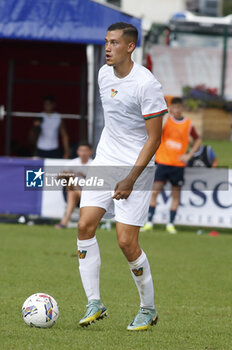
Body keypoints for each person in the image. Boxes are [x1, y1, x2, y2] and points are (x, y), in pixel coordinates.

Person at [77, 22, 168, 331]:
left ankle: (148, 309)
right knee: (84, 225)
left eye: (114, 43)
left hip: (136, 169)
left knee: (126, 242)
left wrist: (130, 178)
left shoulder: (147, 84)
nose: (107, 48)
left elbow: (154, 139)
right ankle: (94, 302)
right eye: (106, 42)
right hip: (105, 162)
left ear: (130, 47)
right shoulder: (103, 74)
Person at [142, 97, 202, 234]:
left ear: (182, 108)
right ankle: (149, 222)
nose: (176, 110)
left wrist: (189, 155)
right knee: (155, 192)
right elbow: (155, 133)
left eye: (179, 107)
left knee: (175, 195)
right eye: (174, 107)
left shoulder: (188, 124)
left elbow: (198, 140)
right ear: (171, 108)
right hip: (163, 161)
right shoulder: (166, 121)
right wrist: (165, 116)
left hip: (178, 164)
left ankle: (170, 224)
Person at [55, 142, 93, 229]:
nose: (83, 153)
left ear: (90, 152)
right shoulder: (72, 163)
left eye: (85, 150)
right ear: (78, 152)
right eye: (81, 150)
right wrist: (67, 173)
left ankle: (64, 221)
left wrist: (84, 176)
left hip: (89, 194)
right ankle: (82, 198)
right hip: (76, 195)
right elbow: (58, 178)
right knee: (70, 179)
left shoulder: (94, 164)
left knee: (73, 189)